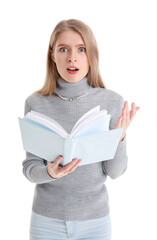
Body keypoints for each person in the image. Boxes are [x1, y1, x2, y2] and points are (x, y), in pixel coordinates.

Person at [23, 19, 140, 240]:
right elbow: (30, 168)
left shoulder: (111, 101)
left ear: (91, 55)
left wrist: (120, 137)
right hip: (46, 222)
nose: (72, 57)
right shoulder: (35, 103)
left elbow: (115, 172)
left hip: (95, 223)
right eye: (63, 49)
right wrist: (50, 172)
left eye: (81, 49)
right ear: (52, 55)